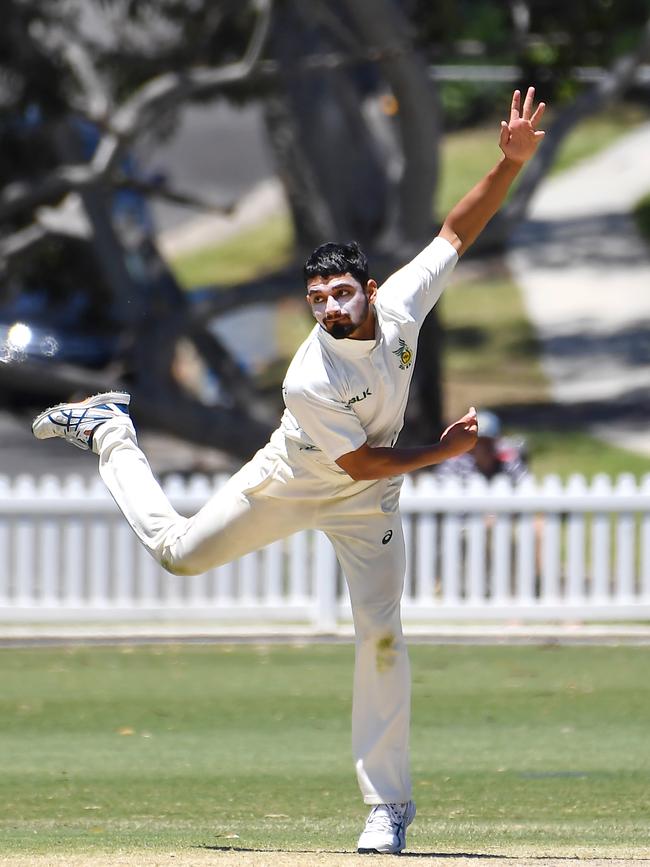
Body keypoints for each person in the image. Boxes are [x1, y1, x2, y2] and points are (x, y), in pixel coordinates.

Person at [32, 87, 545, 855]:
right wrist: (441, 451)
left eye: (341, 295)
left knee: (381, 636)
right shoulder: (308, 376)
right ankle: (111, 428)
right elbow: (361, 456)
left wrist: (507, 164)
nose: (332, 310)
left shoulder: (399, 306)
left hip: (367, 504)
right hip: (294, 477)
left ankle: (388, 807)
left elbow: (454, 231)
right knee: (179, 554)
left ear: (369, 290)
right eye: (317, 301)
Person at [435, 409, 529, 485]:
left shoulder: (508, 460)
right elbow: (439, 483)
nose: (483, 447)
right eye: (478, 442)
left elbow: (524, 482)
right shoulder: (457, 462)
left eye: (488, 442)